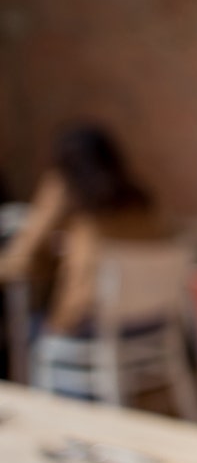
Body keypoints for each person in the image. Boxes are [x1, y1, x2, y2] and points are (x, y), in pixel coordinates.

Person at [0, 124, 170, 337]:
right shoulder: (138, 199)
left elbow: (22, 257)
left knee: (29, 329)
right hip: (151, 320)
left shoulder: (65, 189)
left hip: (90, 321)